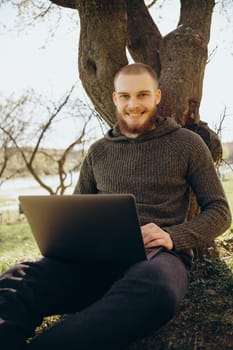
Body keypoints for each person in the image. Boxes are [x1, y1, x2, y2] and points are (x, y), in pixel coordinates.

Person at [0, 63, 231, 350]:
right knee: (18, 277)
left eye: (142, 95)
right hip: (96, 263)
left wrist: (173, 236)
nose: (133, 104)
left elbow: (220, 211)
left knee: (156, 291)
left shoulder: (187, 144)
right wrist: (64, 243)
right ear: (115, 98)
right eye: (125, 96)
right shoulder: (98, 151)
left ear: (157, 96)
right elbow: (74, 213)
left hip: (157, 261)